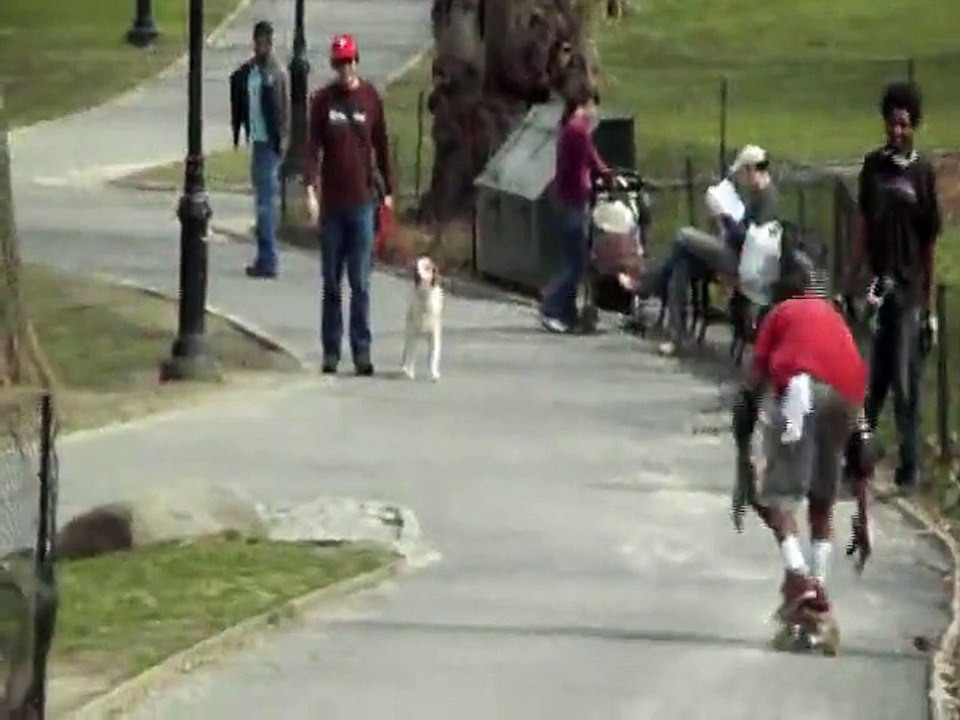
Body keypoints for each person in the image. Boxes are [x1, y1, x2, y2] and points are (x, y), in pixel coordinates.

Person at [731, 263, 868, 638]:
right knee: (821, 500)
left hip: (802, 391)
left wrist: (745, 421)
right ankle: (819, 594)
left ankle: (798, 577)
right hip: (849, 397)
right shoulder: (830, 314)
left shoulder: (780, 313)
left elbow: (755, 376)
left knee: (775, 493)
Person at [841, 82, 942, 491]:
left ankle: (910, 465)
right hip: (878, 286)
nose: (897, 131)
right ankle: (859, 456)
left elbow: (930, 241)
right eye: (891, 123)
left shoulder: (922, 173)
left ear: (913, 125)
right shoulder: (873, 168)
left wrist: (930, 307)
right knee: (873, 377)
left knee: (906, 379)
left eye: (904, 124)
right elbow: (863, 228)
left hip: (910, 289)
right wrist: (850, 278)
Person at [304, 34, 393, 376]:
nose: (346, 68)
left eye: (350, 61)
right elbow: (312, 149)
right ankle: (330, 350)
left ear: (358, 62)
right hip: (333, 207)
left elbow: (382, 145)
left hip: (361, 204)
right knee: (331, 281)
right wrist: (311, 190)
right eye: (340, 63)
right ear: (333, 65)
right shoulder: (323, 102)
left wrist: (388, 191)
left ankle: (362, 350)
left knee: (361, 282)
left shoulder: (370, 98)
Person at [639, 144, 778, 356]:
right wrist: (726, 224)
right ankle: (676, 336)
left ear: (751, 171)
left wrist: (724, 217)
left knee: (684, 235)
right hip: (733, 252)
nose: (740, 180)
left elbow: (752, 242)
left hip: (744, 262)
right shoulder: (755, 195)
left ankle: (651, 285)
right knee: (681, 263)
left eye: (741, 174)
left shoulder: (767, 199)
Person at [539, 85, 612, 334]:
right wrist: (604, 176)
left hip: (569, 200)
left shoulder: (574, 128)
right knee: (576, 262)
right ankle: (551, 307)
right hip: (573, 201)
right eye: (594, 105)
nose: (595, 111)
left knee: (574, 258)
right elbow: (588, 160)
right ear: (586, 103)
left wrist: (604, 173)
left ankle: (568, 312)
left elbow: (591, 158)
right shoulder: (578, 130)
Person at [229, 20, 290, 279]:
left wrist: (281, 143)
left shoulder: (276, 73)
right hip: (258, 140)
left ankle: (268, 259)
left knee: (265, 202)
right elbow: (239, 85)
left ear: (270, 42)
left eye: (265, 41)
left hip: (270, 143)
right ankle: (265, 255)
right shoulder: (251, 71)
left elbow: (283, 110)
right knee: (261, 200)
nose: (260, 46)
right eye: (258, 40)